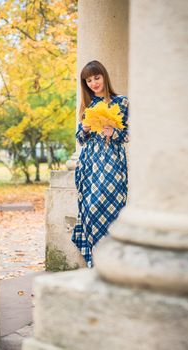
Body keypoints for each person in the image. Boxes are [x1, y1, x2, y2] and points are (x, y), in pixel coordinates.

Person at [71, 60, 129, 268]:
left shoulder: (121, 102)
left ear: (104, 77)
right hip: (89, 163)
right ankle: (97, 261)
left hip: (112, 160)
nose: (93, 83)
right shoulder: (87, 105)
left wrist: (113, 133)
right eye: (89, 80)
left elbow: (129, 134)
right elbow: (79, 138)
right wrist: (85, 129)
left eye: (97, 77)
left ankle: (114, 258)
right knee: (89, 208)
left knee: (108, 205)